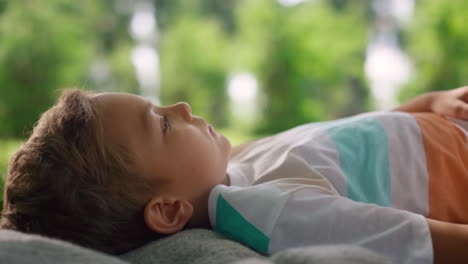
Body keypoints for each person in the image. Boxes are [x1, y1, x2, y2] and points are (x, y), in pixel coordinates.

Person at [1, 87, 468, 263]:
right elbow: (420, 242)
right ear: (166, 210)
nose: (181, 106)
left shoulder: (225, 169)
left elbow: (341, 140)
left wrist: (424, 104)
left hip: (447, 125)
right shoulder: (270, 210)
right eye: (162, 123)